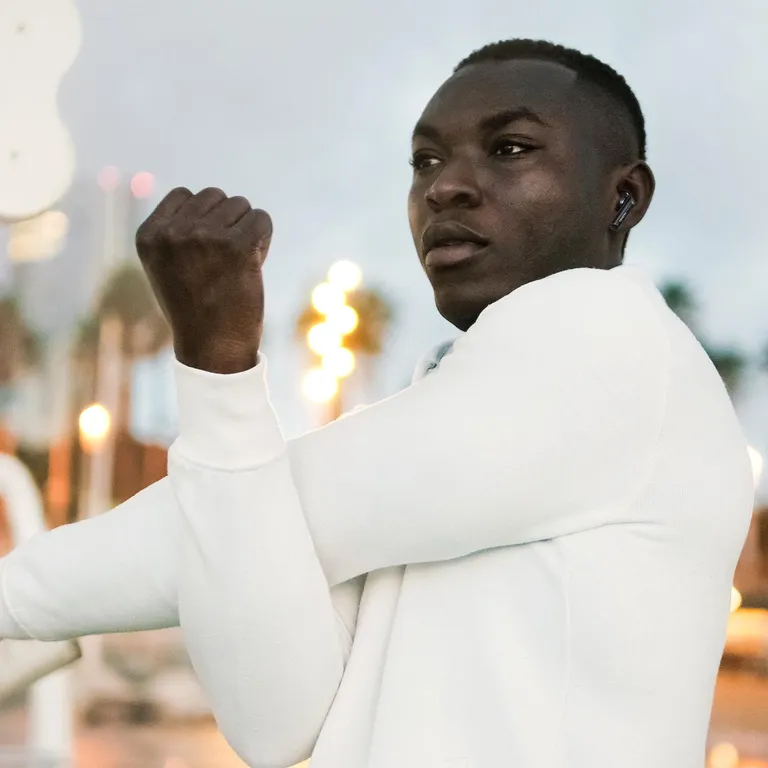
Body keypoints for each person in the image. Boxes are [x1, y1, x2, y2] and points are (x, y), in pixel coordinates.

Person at [0, 39, 755, 768]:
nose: (445, 186)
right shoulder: (472, 406)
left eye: (510, 149)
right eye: (426, 160)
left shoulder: (609, 341)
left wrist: (220, 372)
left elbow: (251, 516)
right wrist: (216, 364)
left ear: (623, 197)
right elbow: (275, 718)